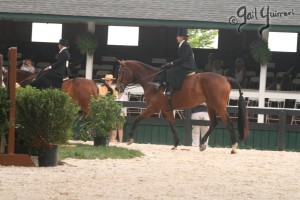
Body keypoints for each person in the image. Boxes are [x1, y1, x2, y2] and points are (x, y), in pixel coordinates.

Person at [149, 28, 197, 99]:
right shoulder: (182, 44)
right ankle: (158, 82)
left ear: (182, 37)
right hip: (184, 64)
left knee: (171, 71)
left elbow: (183, 58)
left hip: (188, 66)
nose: (176, 38)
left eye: (177, 36)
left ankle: (170, 90)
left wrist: (171, 63)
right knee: (165, 67)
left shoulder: (185, 45)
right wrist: (169, 64)